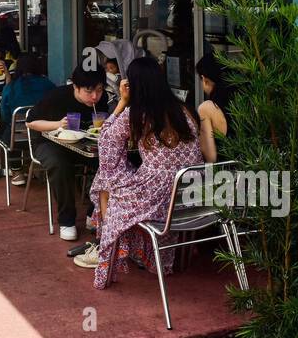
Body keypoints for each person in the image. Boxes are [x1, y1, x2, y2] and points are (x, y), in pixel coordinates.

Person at [73, 56, 205, 287]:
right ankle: (139, 252)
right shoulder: (182, 109)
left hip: (158, 195)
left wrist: (123, 102)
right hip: (190, 196)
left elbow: (106, 140)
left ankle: (107, 247)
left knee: (106, 184)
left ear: (133, 85)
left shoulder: (139, 112)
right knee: (112, 179)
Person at [24, 66, 107, 240]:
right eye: (89, 91)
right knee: (59, 165)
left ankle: (94, 213)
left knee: (110, 161)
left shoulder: (101, 99)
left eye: (99, 90)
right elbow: (31, 122)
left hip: (82, 143)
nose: (94, 97)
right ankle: (67, 220)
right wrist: (57, 124)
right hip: (48, 142)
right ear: (75, 87)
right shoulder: (58, 96)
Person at [0, 51, 56, 181]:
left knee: (10, 127)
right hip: (45, 137)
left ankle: (17, 172)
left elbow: (5, 116)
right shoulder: (48, 84)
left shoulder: (11, 87)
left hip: (18, 139)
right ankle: (37, 168)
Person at [194, 52, 233, 163]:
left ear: (204, 79)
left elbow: (210, 157)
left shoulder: (207, 108)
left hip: (225, 174)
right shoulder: (250, 99)